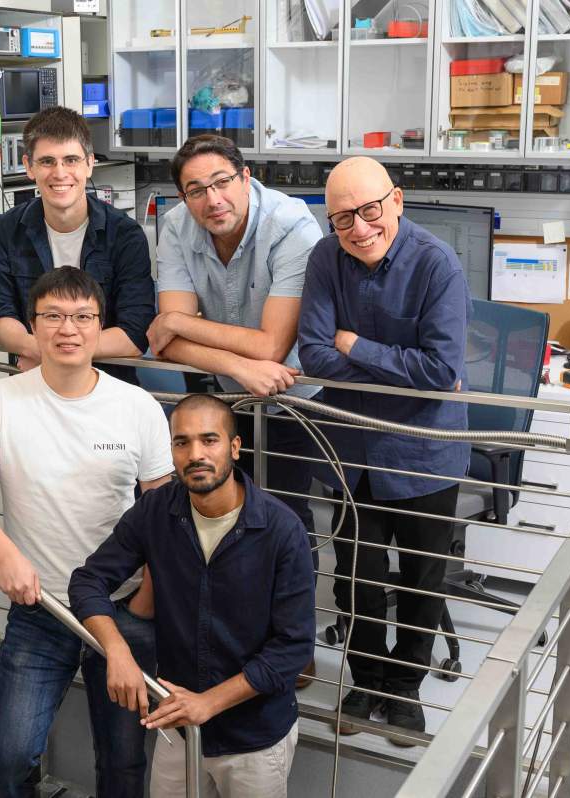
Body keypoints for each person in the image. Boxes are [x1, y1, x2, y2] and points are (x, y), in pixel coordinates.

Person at [0, 267, 173, 797]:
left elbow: (165, 515)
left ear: (99, 325)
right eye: (54, 316)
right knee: (9, 754)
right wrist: (5, 554)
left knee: (122, 761)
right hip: (41, 607)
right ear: (33, 324)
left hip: (123, 606)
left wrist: (146, 605)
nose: (68, 328)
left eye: (82, 317)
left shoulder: (136, 407)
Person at [297, 156, 471, 743]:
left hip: (426, 453)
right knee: (357, 579)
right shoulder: (326, 258)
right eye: (342, 218)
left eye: (370, 210)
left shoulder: (438, 265)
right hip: (355, 451)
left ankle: (404, 692)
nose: (359, 228)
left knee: (423, 582)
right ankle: (366, 680)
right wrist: (388, 361)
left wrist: (355, 345)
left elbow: (441, 369)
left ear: (396, 200)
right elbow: (314, 356)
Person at [69, 394, 315, 797]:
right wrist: (117, 650)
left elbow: (292, 649)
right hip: (180, 730)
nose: (195, 453)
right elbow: (87, 580)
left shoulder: (282, 530)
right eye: (181, 442)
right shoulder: (156, 511)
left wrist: (209, 703)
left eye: (209, 440)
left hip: (254, 740)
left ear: (235, 447)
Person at [150, 136, 324, 658]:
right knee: (222, 516)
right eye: (195, 190)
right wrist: (235, 366)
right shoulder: (178, 225)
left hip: (293, 397)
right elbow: (167, 346)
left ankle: (293, 650)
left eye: (222, 182)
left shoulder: (293, 227)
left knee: (286, 524)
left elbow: (274, 345)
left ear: (246, 178)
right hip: (229, 393)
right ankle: (229, 641)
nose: (211, 199)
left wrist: (182, 321)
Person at [0, 105, 155, 383]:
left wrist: (53, 352)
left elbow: (134, 334)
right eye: (47, 161)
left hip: (107, 387)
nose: (60, 173)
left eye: (71, 160)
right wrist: (39, 349)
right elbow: (0, 315)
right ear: (29, 166)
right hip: (33, 384)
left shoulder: (125, 235)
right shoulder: (9, 229)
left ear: (90, 163)